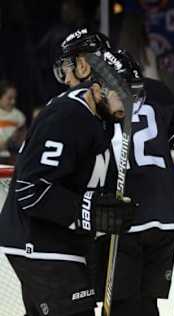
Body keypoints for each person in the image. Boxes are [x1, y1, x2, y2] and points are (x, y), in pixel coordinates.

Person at [54, 29, 174, 314]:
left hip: (117, 219)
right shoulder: (156, 90)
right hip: (163, 221)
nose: (67, 79)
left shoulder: (83, 100)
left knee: (120, 308)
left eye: (69, 68)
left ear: (83, 64)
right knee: (144, 305)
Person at [0, 33, 140, 316]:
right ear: (95, 85)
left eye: (131, 95)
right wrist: (89, 210)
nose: (125, 104)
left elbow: (88, 188)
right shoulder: (69, 114)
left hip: (63, 242)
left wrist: (110, 209)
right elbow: (31, 190)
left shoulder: (101, 121)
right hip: (39, 242)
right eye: (119, 92)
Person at [0, 81, 26, 164]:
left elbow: (24, 138)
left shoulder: (19, 116)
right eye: (9, 98)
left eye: (15, 98)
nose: (13, 102)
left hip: (11, 156)